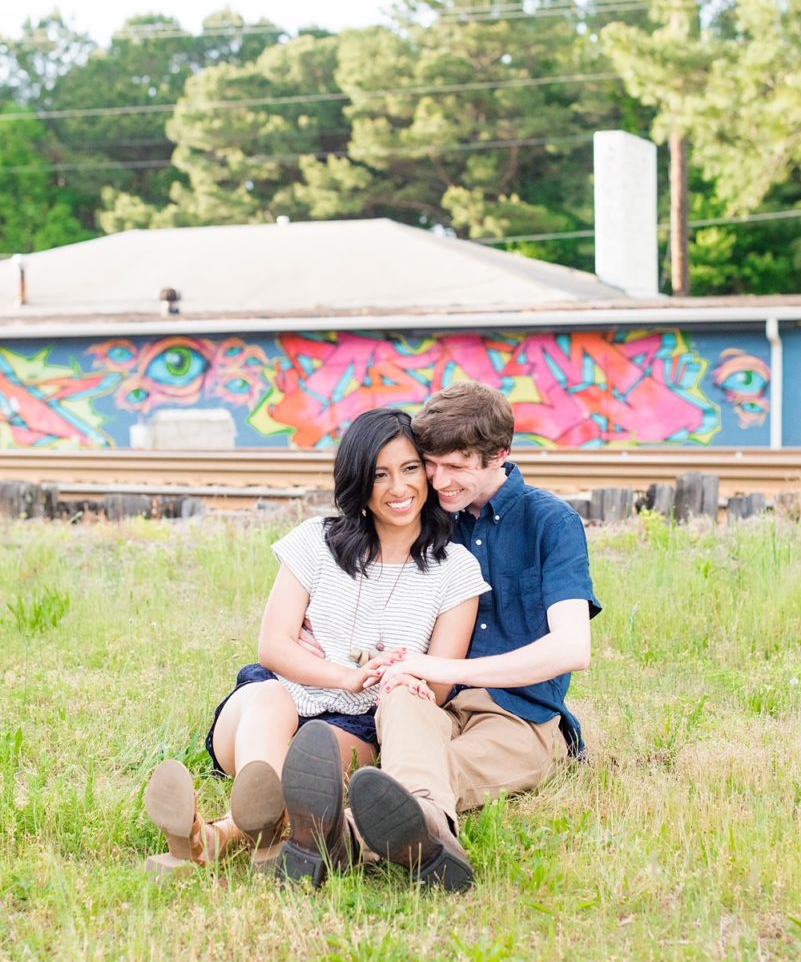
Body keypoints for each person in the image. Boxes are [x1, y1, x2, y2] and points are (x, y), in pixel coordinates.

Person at [143, 407, 490, 884]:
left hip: (358, 723)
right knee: (268, 695)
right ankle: (266, 821)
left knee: (315, 756)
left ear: (426, 473)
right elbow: (273, 646)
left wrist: (393, 674)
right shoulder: (315, 541)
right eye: (380, 474)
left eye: (410, 469)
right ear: (357, 481)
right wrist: (343, 675)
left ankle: (217, 839)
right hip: (270, 706)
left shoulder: (455, 569)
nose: (399, 488)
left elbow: (440, 684)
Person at [294, 381, 601, 892]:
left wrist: (442, 669)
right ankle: (416, 841)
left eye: (456, 466)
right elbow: (371, 585)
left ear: (499, 455)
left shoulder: (551, 522)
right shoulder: (433, 517)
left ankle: (350, 835)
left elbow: (572, 649)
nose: (438, 480)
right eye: (431, 463)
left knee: (437, 771)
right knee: (401, 701)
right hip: (428, 703)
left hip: (517, 715)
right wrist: (314, 630)